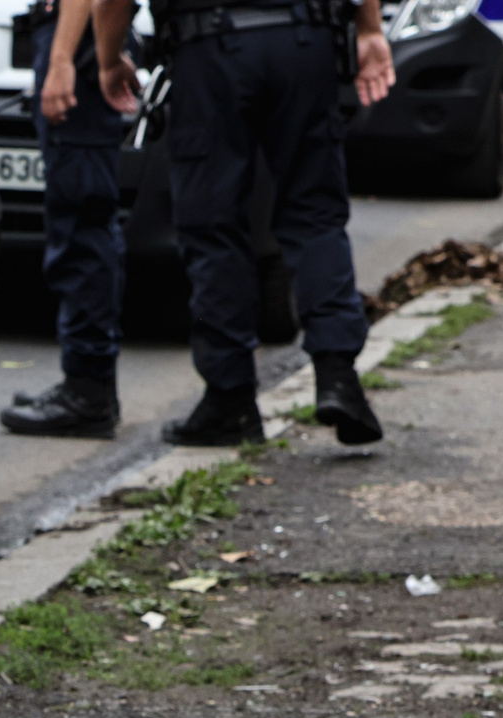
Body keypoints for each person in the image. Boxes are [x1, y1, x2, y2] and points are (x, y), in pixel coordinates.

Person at [94, 0, 394, 447]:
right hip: (304, 41)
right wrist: (368, 28)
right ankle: (338, 376)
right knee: (315, 213)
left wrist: (109, 57)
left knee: (211, 225)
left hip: (208, 51)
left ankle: (229, 398)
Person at [0, 0, 131, 438]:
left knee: (81, 222)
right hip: (78, 37)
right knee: (79, 219)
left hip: (75, 38)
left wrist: (60, 58)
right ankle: (86, 381)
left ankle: (87, 390)